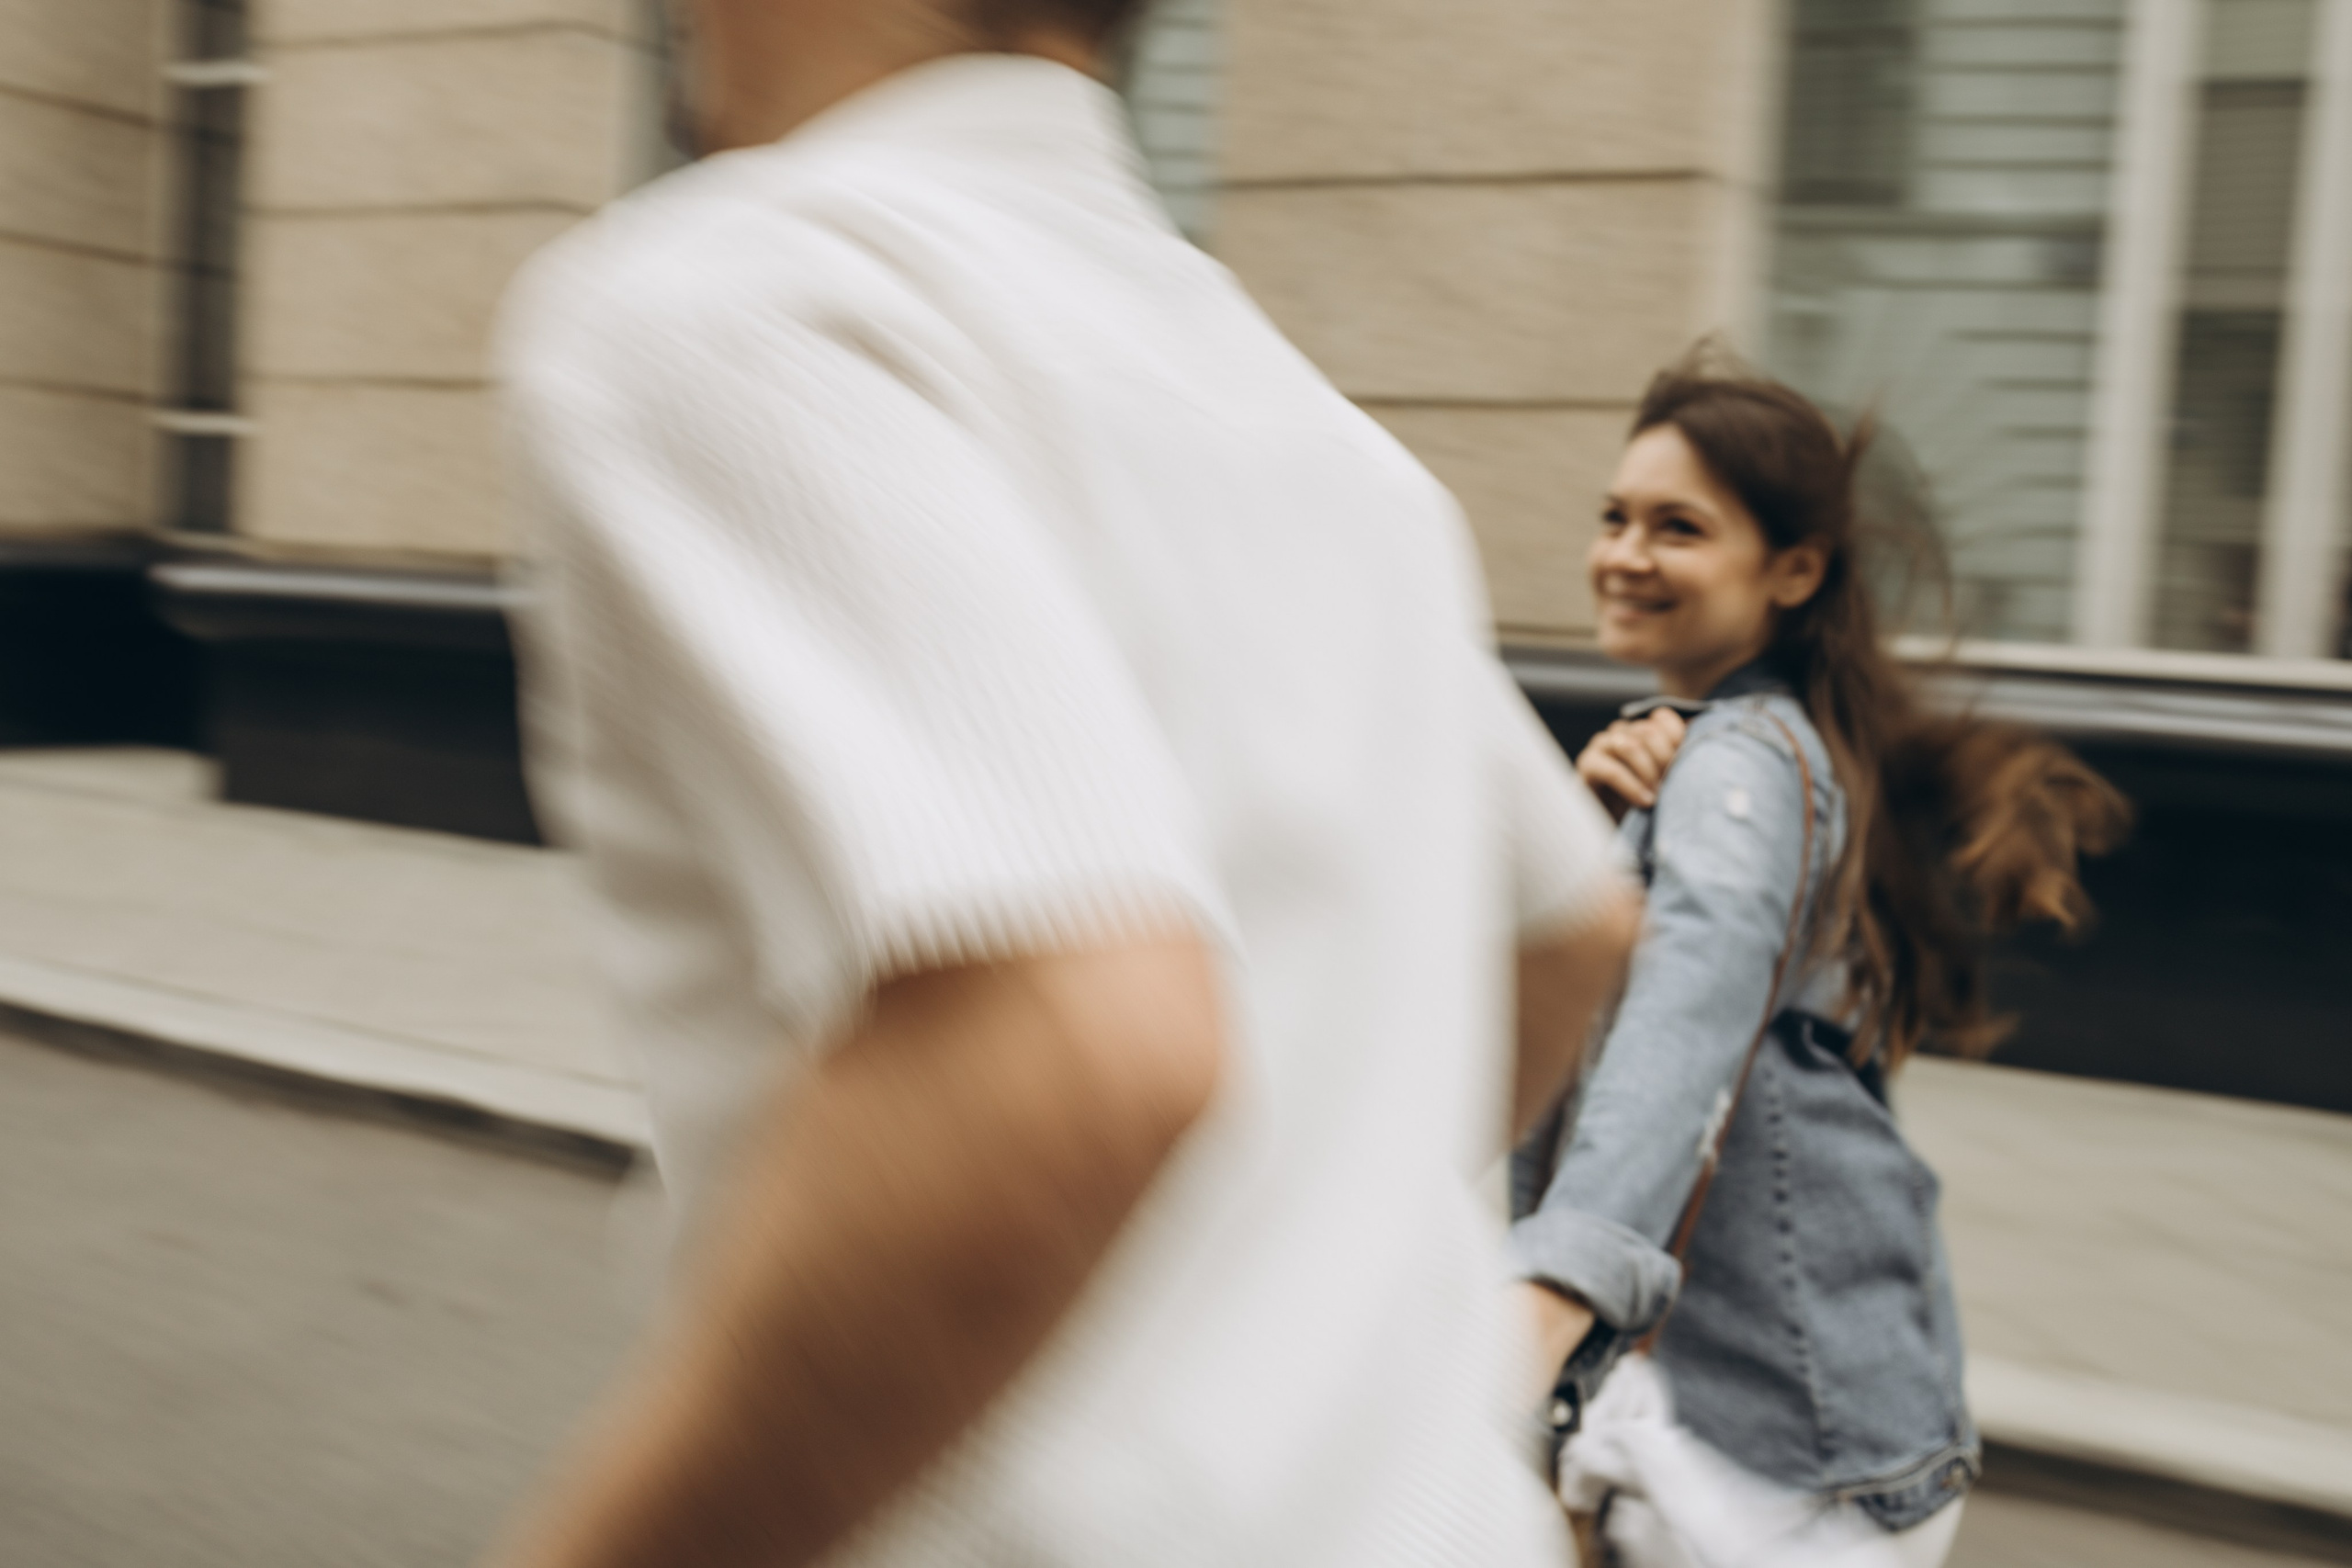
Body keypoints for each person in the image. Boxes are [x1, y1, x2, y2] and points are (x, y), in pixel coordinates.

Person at [489, 3, 1643, 1565]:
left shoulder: (735, 301)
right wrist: (1304, 1273)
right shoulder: (1329, 445)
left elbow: (1071, 1045)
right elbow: (1571, 931)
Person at [1508, 354, 2128, 1567]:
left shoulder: (1740, 767)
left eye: (1677, 528)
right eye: (1615, 517)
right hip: (1753, 1380)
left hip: (1781, 1449)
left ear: (1794, 571)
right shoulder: (1732, 748)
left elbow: (1686, 1022)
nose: (1626, 554)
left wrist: (1553, 1287)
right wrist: (1593, 832)